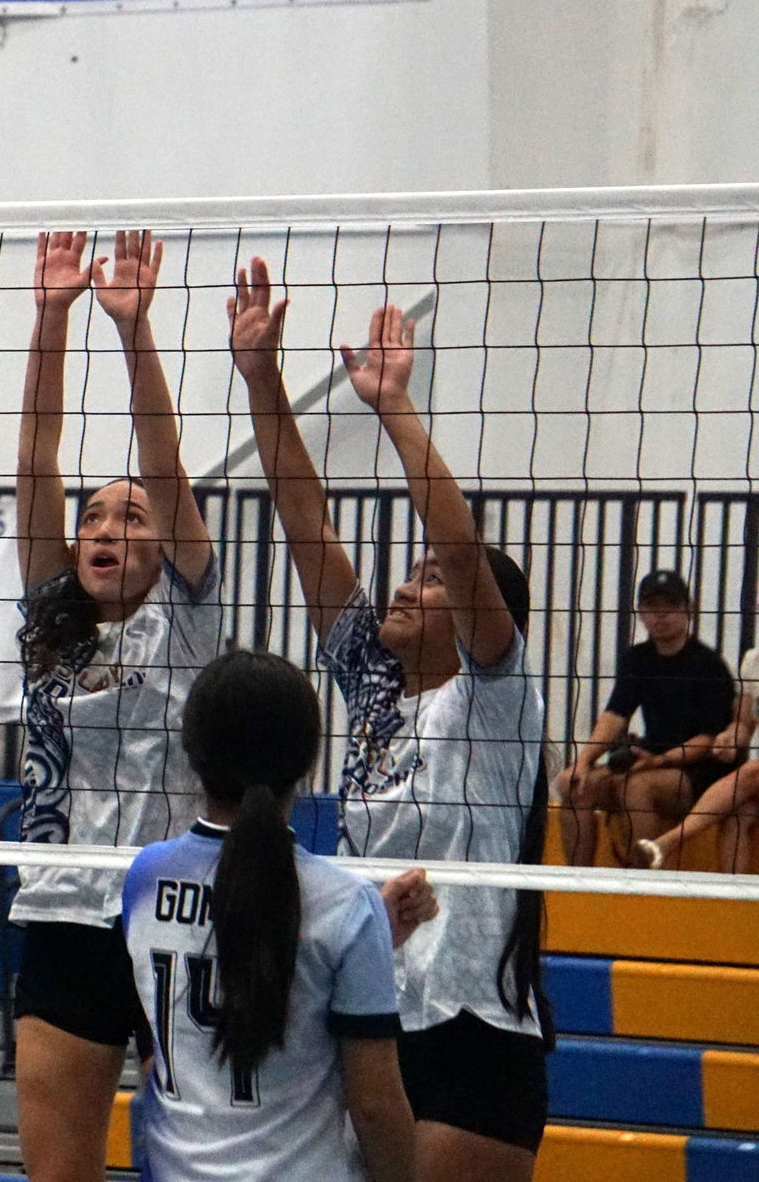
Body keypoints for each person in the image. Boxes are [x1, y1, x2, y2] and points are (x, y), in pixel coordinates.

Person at [229, 260, 549, 1182]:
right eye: (408, 572)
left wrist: (394, 407)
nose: (410, 581)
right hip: (371, 1017)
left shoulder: (493, 699)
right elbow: (303, 522)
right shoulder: (375, 684)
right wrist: (261, 379)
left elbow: (459, 542)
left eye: (432, 579)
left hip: (472, 1033)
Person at [12, 228, 226, 1182]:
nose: (102, 528)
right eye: (94, 516)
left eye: (127, 517)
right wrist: (50, 319)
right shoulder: (53, 623)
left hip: (176, 919)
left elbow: (167, 462)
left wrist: (135, 332)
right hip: (61, 913)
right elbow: (35, 463)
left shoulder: (187, 619)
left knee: (204, 1164)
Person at [124, 649, 420, 1182]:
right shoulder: (345, 904)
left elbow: (158, 1037)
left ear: (192, 754)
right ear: (307, 763)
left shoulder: (144, 877)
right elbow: (374, 1104)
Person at [556, 570, 738, 868]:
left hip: (699, 773)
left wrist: (660, 761)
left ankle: (641, 880)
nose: (660, 615)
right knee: (578, 786)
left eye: (669, 605)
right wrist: (583, 762)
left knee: (638, 788)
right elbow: (616, 714)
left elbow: (708, 740)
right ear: (640, 613)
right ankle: (576, 882)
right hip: (649, 759)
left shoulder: (708, 665)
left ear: (687, 609)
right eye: (652, 607)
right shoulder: (637, 659)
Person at [631, 642, 758, 872]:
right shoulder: (754, 660)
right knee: (739, 812)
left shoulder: (706, 661)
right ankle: (731, 901)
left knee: (751, 772)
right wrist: (729, 738)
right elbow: (744, 724)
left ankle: (666, 843)